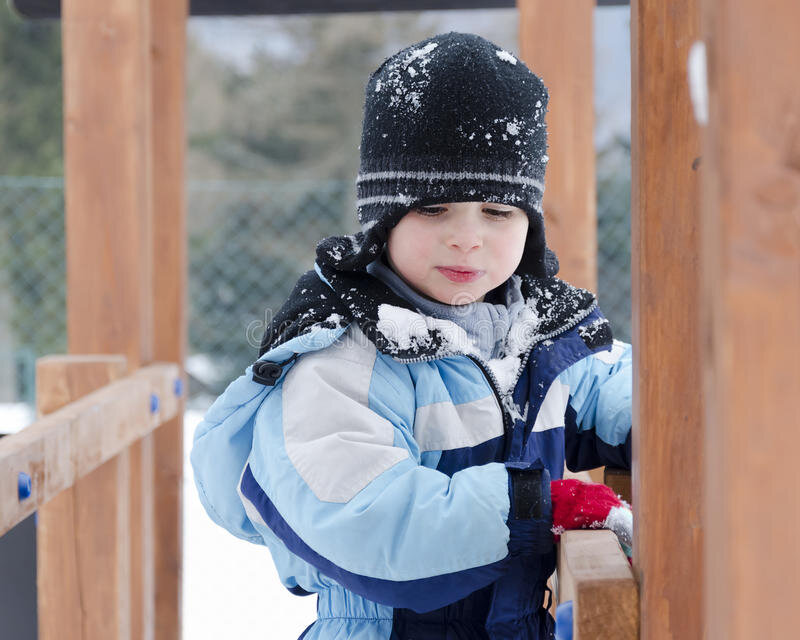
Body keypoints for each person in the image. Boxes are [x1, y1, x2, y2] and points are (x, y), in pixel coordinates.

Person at [191, 32, 632, 640]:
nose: (467, 237)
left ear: (528, 225)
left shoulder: (539, 339)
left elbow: (624, 390)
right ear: (383, 219)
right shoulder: (343, 360)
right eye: (433, 209)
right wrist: (537, 507)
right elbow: (367, 523)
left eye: (498, 212)